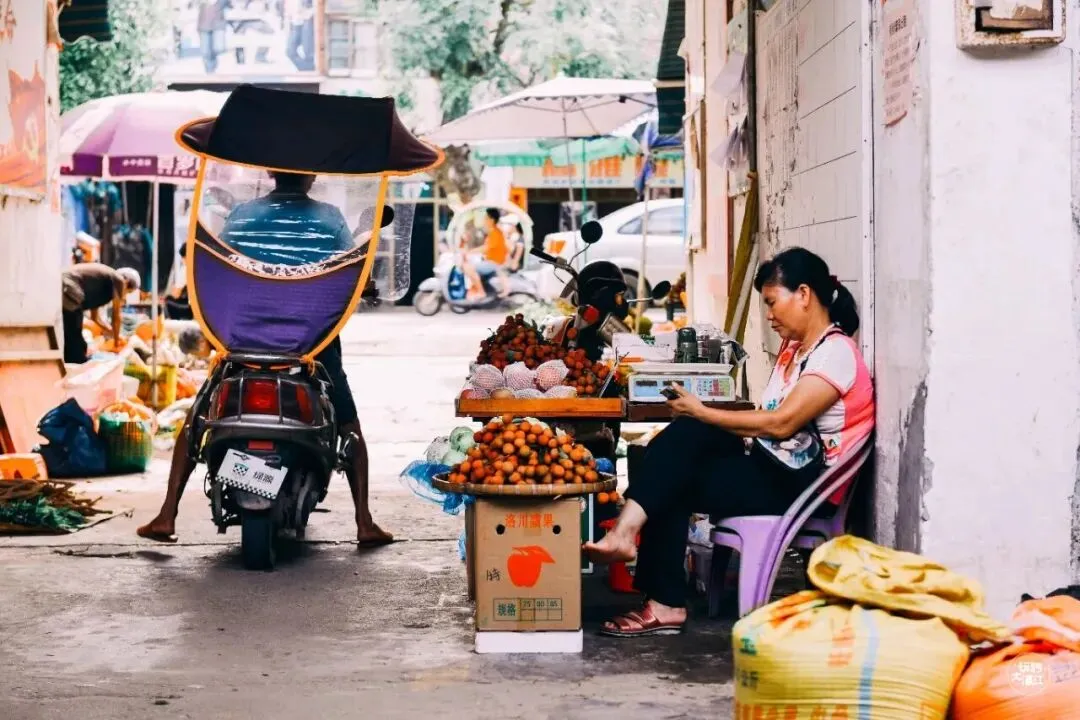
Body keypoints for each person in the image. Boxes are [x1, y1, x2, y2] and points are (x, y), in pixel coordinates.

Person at [584, 247, 875, 637]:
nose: (769, 315)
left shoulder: (835, 353)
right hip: (775, 469)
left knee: (685, 449)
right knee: (679, 453)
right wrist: (701, 418)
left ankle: (648, 574)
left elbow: (781, 423)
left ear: (804, 294)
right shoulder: (795, 352)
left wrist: (703, 412)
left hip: (803, 488)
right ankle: (639, 561)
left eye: (773, 302)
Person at [137, 170, 392, 547]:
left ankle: (167, 513)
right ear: (312, 176)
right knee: (348, 424)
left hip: (244, 340)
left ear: (271, 173)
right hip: (312, 343)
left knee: (197, 420)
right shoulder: (330, 219)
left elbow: (222, 269)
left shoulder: (242, 215)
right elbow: (346, 273)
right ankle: (364, 522)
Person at [61, 263, 141, 364]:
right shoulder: (119, 280)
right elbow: (116, 316)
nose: (124, 295)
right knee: (75, 335)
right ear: (127, 282)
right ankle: (76, 365)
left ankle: (73, 363)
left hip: (67, 287)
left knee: (73, 335)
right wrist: (116, 342)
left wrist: (109, 331)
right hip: (70, 286)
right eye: (128, 292)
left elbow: (95, 317)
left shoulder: (102, 283)